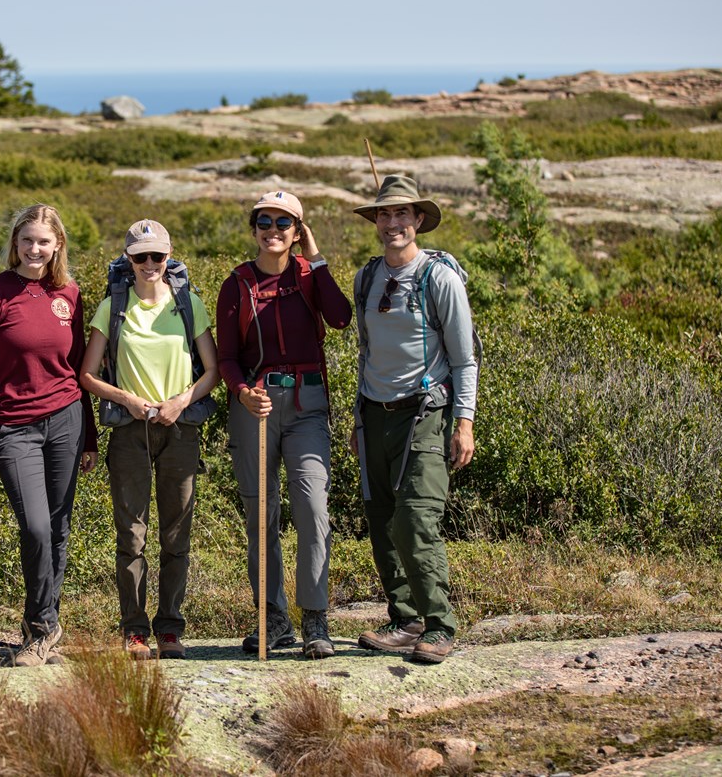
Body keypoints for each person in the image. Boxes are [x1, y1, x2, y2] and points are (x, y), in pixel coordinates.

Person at [216, 191, 352, 659]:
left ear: (298, 231)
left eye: (284, 223)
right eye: (264, 222)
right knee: (262, 514)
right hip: (254, 405)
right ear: (253, 229)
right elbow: (228, 357)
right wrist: (242, 392)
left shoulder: (309, 275)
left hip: (307, 403)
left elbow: (340, 317)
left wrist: (317, 260)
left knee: (313, 507)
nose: (272, 231)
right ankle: (272, 619)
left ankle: (315, 619)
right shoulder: (236, 283)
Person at [80, 220, 220, 661]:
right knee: (132, 536)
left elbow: (213, 371)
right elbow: (86, 374)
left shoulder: (189, 303)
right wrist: (127, 399)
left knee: (177, 534)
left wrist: (181, 400)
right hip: (129, 430)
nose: (149, 265)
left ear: (169, 256)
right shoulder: (112, 306)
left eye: (157, 256)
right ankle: (135, 630)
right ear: (128, 259)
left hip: (180, 429)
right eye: (140, 257)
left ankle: (171, 629)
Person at [351, 174, 476, 664]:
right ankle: (405, 620)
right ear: (376, 222)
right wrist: (358, 418)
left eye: (403, 213)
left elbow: (465, 359)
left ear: (418, 220)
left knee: (416, 520)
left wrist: (463, 422)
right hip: (374, 414)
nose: (393, 223)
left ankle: (440, 625)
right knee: (381, 520)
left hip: (425, 414)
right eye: (384, 214)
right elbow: (364, 349)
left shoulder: (438, 277)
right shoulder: (366, 277)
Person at [0, 204, 98, 667]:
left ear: (57, 245)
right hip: (14, 426)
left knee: (60, 527)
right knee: (36, 526)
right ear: (15, 243)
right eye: (27, 240)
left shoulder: (69, 293)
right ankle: (43, 625)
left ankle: (40, 628)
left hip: (66, 418)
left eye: (44, 241)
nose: (35, 248)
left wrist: (90, 438)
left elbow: (80, 365)